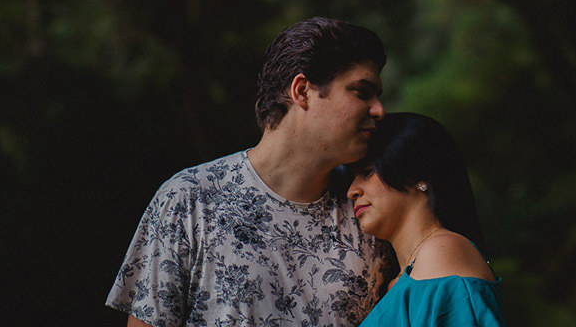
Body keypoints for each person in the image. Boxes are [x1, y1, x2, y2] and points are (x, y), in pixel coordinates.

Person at [106, 17, 395, 327]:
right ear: (302, 91)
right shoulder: (190, 199)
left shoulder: (371, 209)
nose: (379, 110)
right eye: (362, 92)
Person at [347, 112, 507, 327]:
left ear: (417, 174)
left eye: (367, 172)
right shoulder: (407, 274)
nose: (351, 191)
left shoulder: (442, 252)